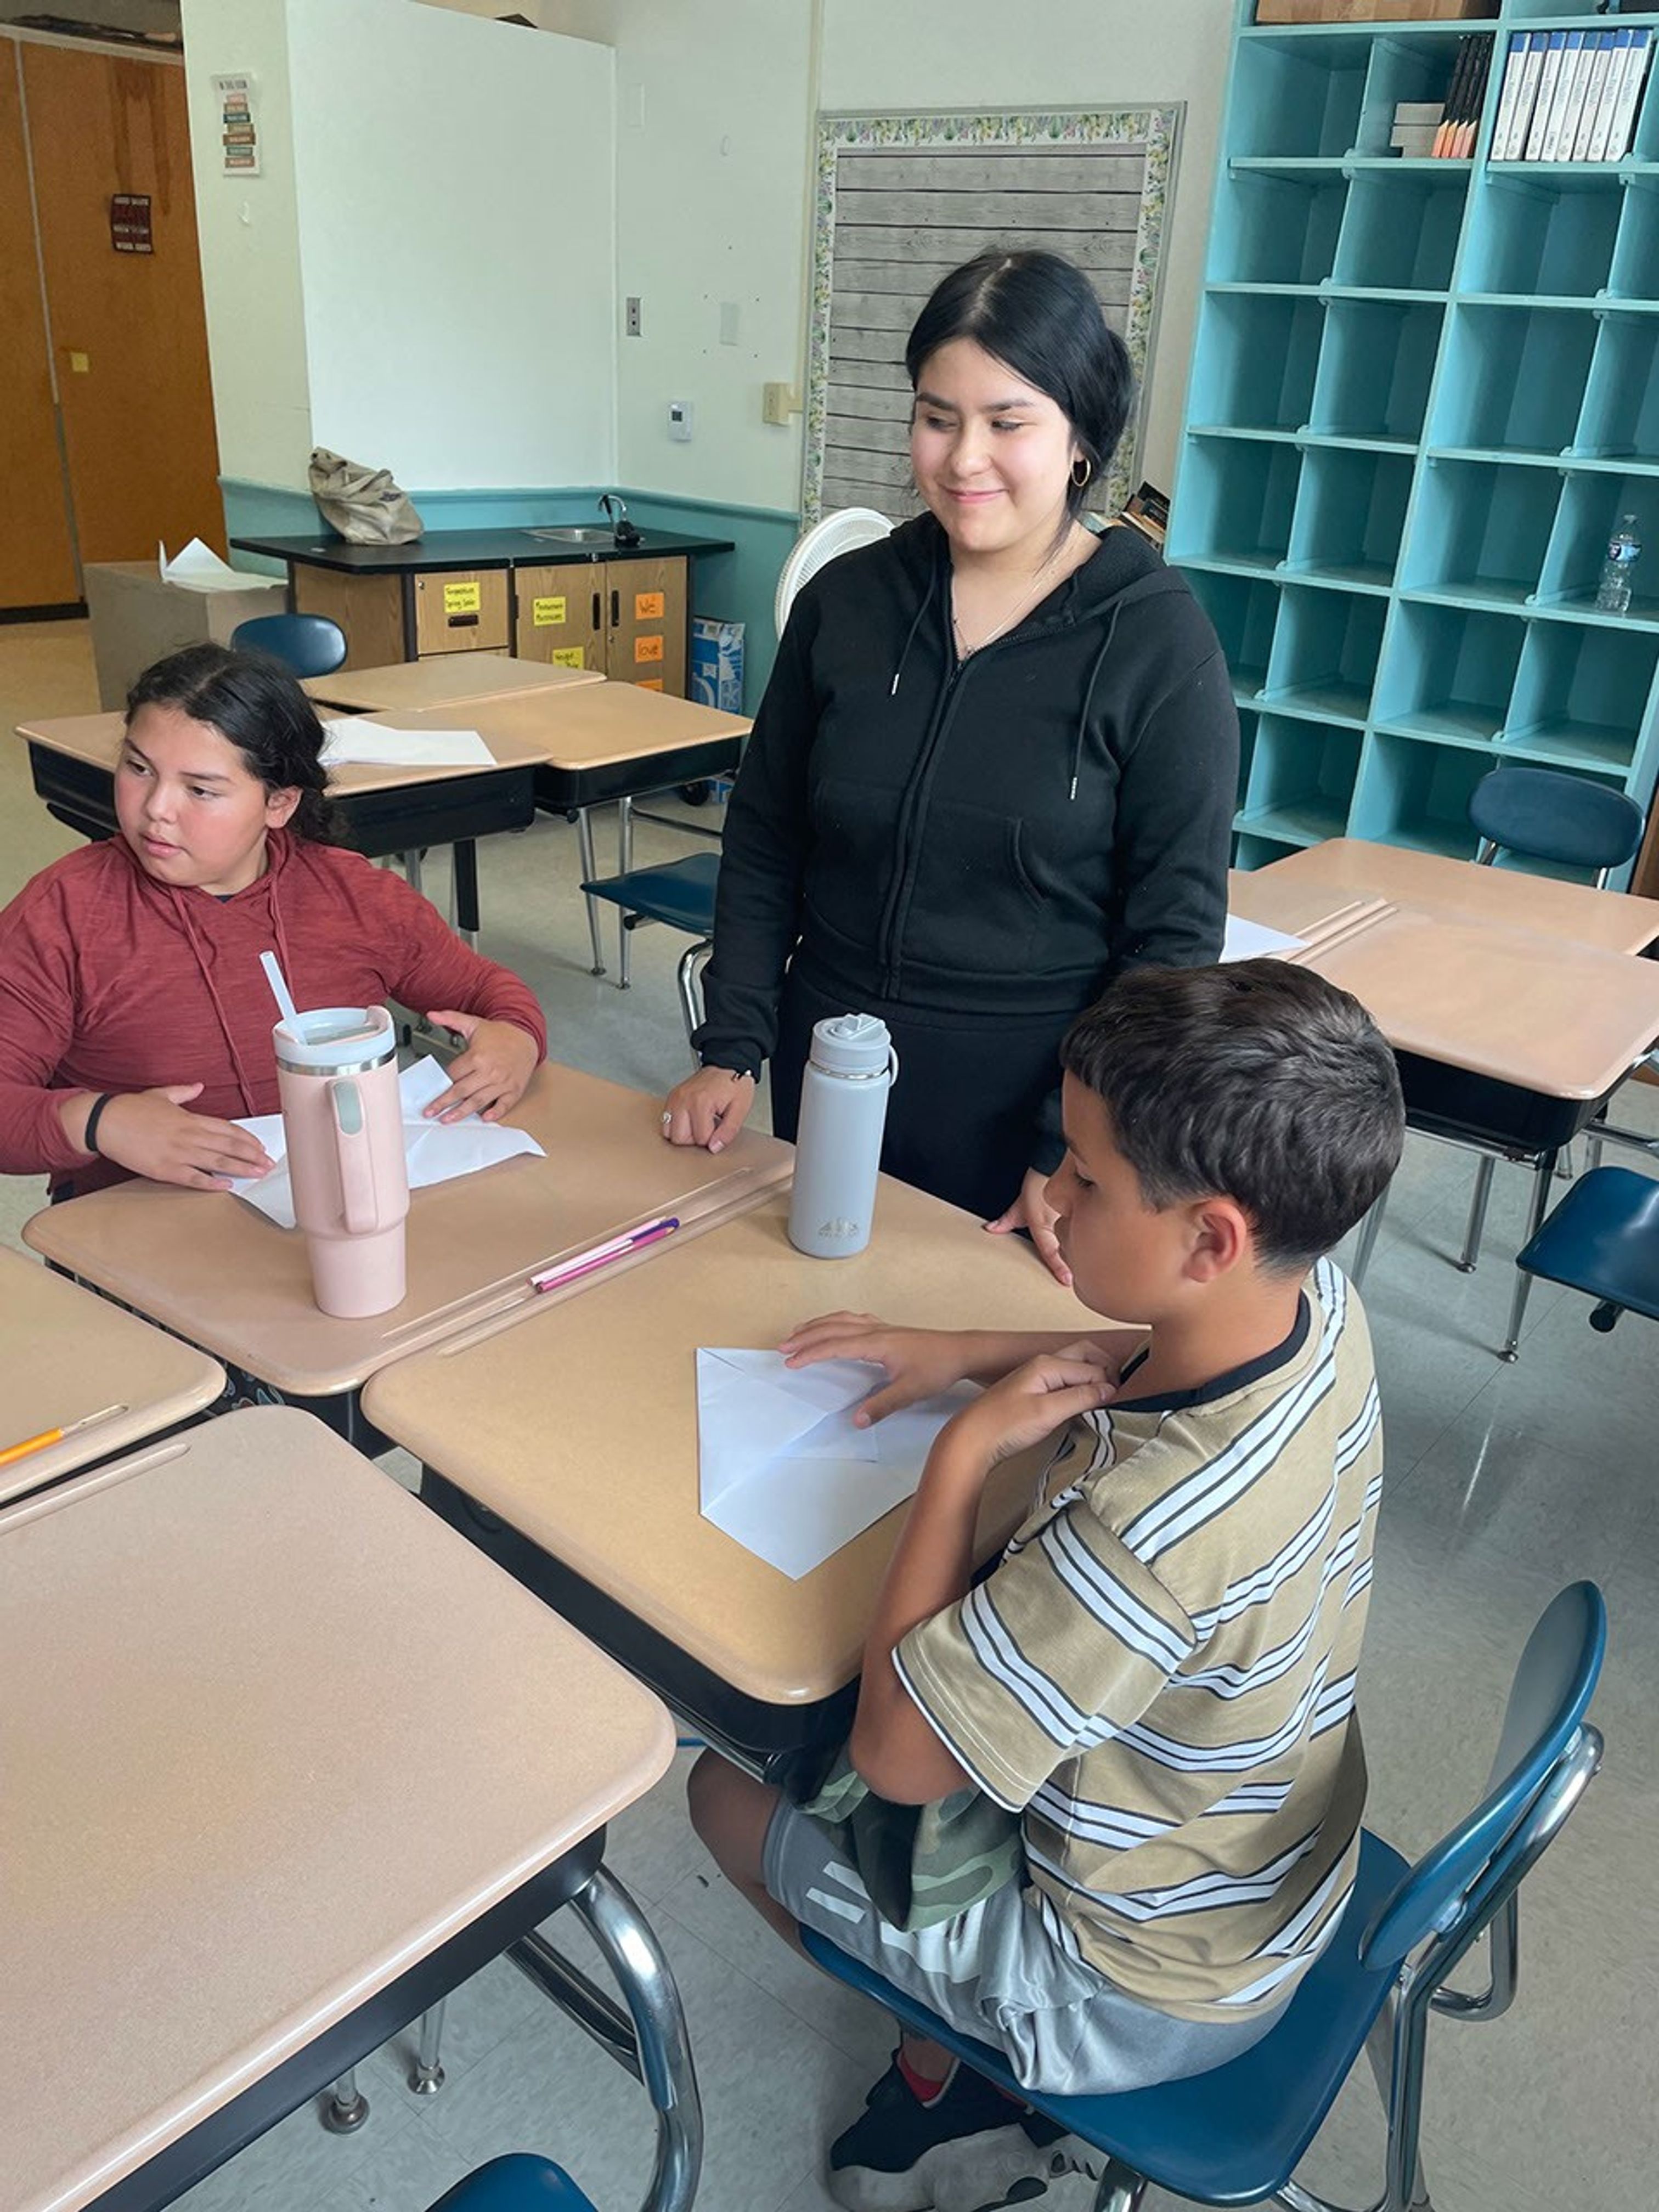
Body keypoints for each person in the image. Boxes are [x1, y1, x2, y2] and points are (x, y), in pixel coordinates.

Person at [688, 958, 1405, 2211]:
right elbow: (1142, 1347)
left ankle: (955, 2072)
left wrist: (962, 1461)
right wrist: (959, 1354)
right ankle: (953, 2038)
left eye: (1086, 1176)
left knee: (724, 1795)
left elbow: (902, 1756)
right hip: (1259, 1870)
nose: (1051, 1196)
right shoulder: (1316, 1303)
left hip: (1131, 1988)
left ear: (1212, 1237)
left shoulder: (1151, 1537)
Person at [662, 249, 1238, 1284]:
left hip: (1028, 1099)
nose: (963, 457)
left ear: (1079, 438)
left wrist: (1069, 1150)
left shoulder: (1158, 643)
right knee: (802, 1326)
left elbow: (1171, 942)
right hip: (826, 1054)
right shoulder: (848, 601)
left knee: (967, 1379)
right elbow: (764, 837)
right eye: (937, 417)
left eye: (1006, 421)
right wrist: (732, 1040)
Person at [0, 642, 547, 1200]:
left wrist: (517, 1039)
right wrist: (100, 1121)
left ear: (279, 804)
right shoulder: (64, 913)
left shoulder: (354, 897)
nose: (156, 809)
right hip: (135, 1226)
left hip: (331, 1207)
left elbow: (487, 991)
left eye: (200, 789)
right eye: (138, 767)